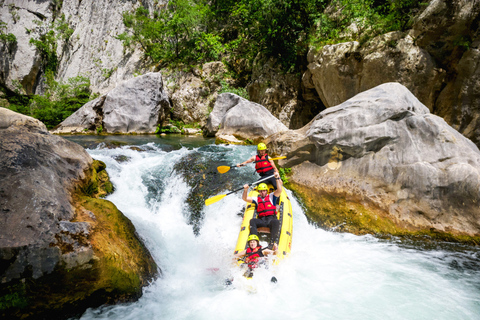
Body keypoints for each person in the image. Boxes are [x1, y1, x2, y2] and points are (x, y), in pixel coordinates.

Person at [242, 171, 283, 250]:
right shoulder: (257, 199)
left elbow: (279, 190)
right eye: (261, 191)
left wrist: (277, 178)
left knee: (276, 222)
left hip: (271, 220)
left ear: (266, 191)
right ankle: (255, 241)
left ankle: (272, 242)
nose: (262, 192)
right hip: (262, 221)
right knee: (252, 221)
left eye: (264, 191)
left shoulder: (272, 197)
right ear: (259, 192)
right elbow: (245, 198)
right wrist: (246, 190)